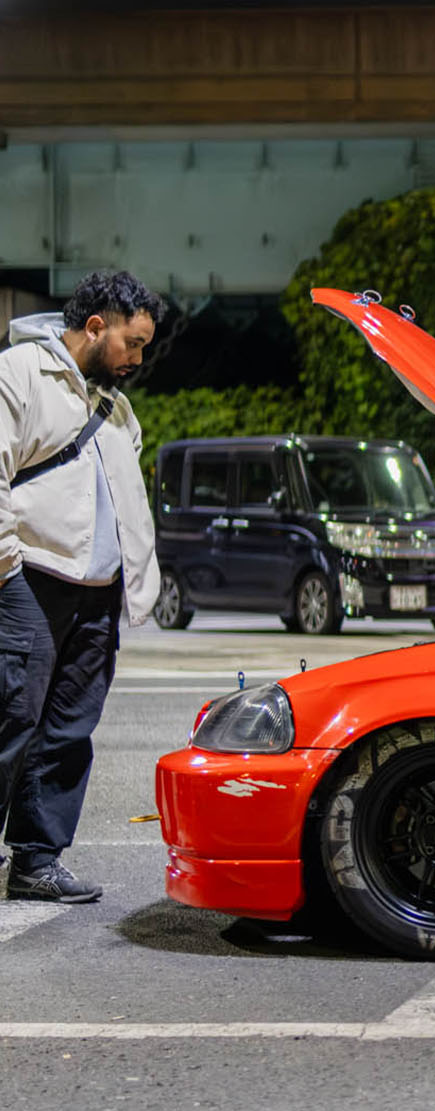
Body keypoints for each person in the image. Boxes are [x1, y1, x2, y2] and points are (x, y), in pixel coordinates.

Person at [0, 270, 163, 903]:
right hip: (30, 581)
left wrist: (131, 583)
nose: (137, 359)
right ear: (96, 327)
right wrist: (7, 569)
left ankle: (36, 862)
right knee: (11, 719)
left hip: (97, 593)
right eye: (132, 343)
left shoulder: (114, 407)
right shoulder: (20, 373)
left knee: (68, 732)